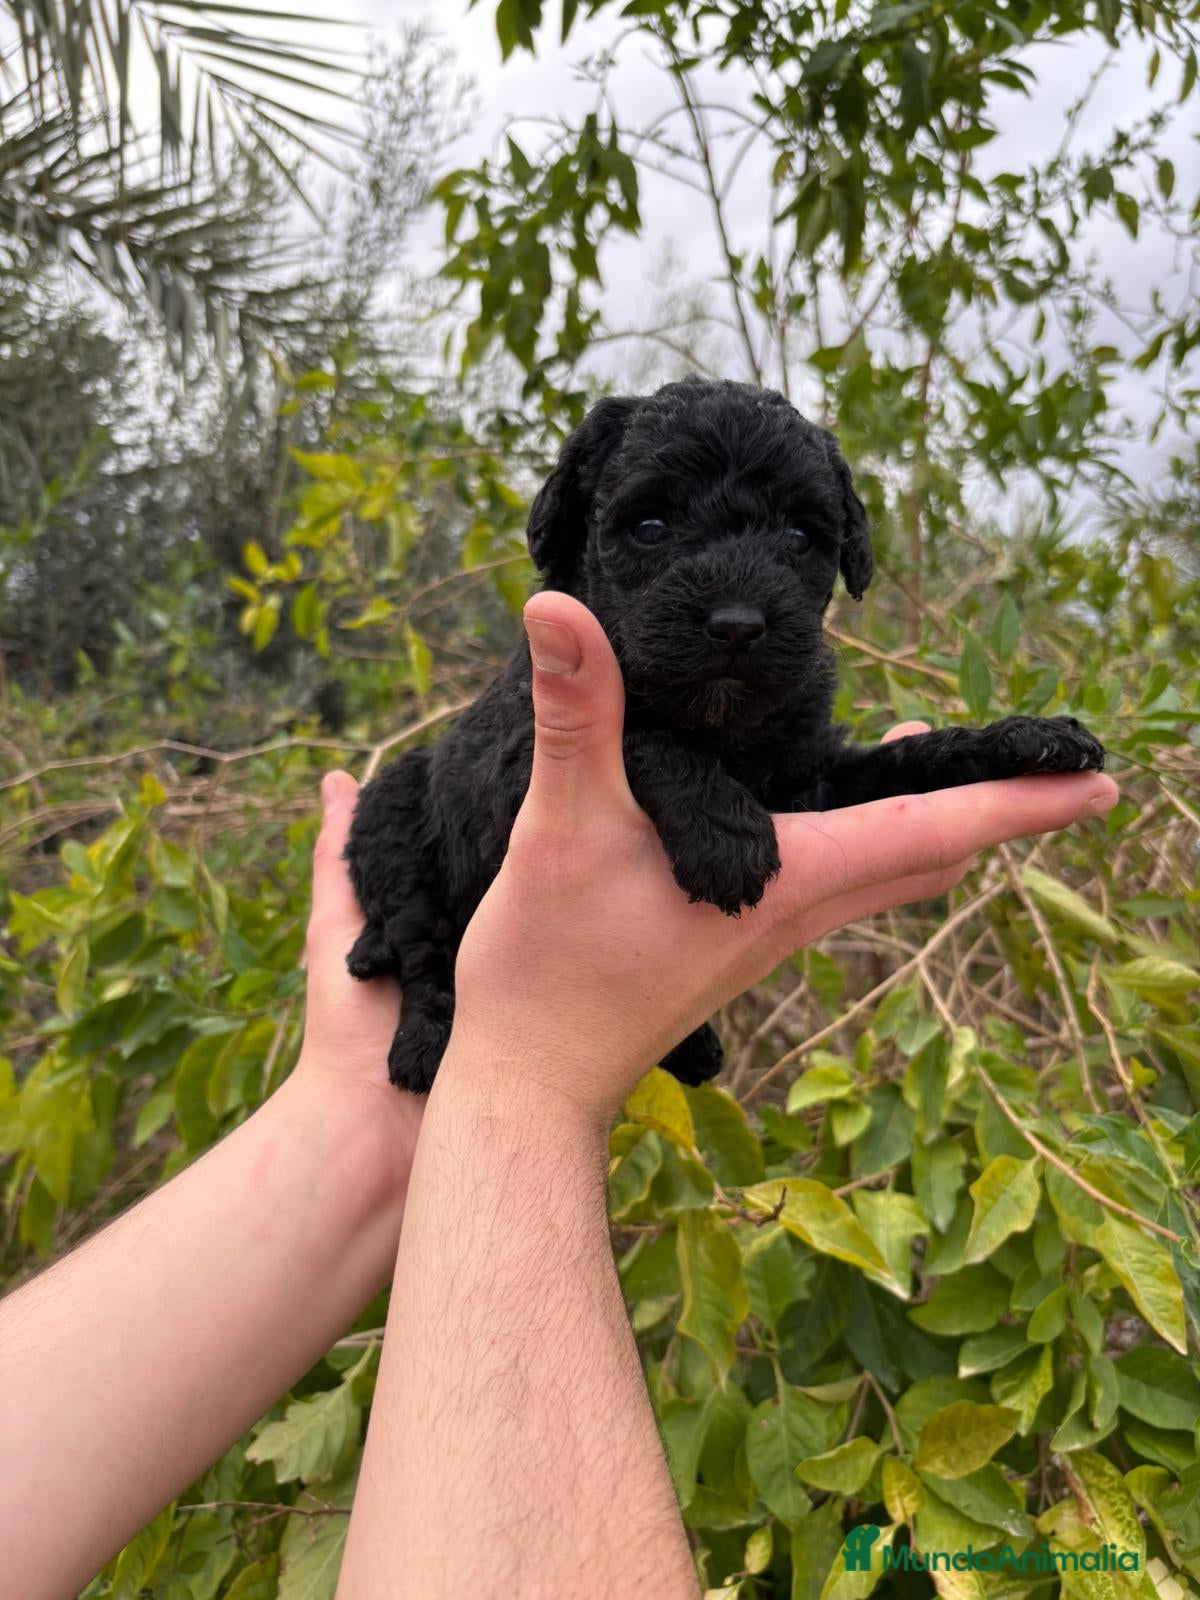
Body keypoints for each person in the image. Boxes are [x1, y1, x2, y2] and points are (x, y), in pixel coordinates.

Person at [0, 593, 1119, 1600]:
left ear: (840, 560)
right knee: (394, 826)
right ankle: (433, 987)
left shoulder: (777, 695)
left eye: (792, 541)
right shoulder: (573, 704)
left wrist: (968, 755)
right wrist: (510, 1057)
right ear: (577, 545)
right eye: (646, 534)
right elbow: (576, 804)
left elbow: (822, 785)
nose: (734, 599)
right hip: (442, 877)